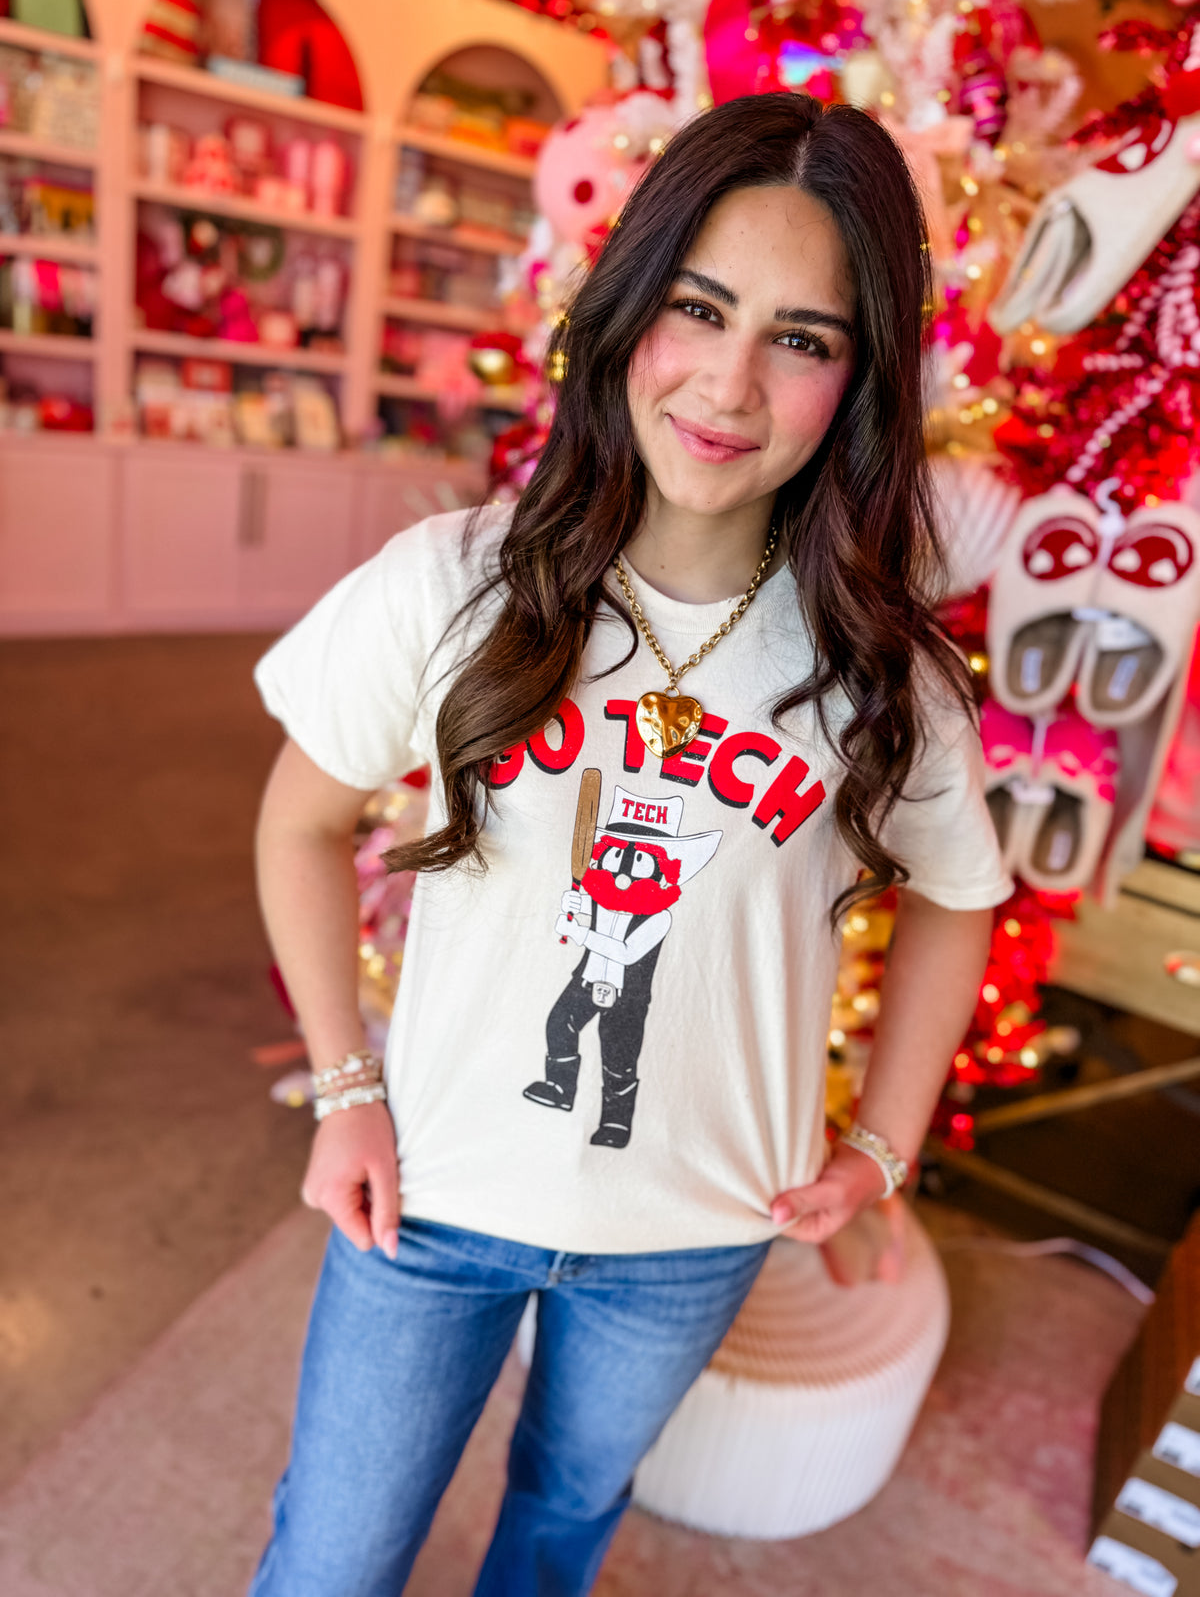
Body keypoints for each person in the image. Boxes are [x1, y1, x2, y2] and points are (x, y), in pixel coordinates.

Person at [247, 91, 1012, 1597]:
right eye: (696, 307)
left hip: (693, 1233)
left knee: (560, 1529)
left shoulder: (876, 669)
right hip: (436, 1196)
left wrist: (881, 1146)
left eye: (802, 337)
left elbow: (957, 899)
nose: (729, 384)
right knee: (330, 1562)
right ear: (625, 312)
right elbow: (299, 820)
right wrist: (345, 1090)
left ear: (858, 380)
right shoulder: (457, 584)